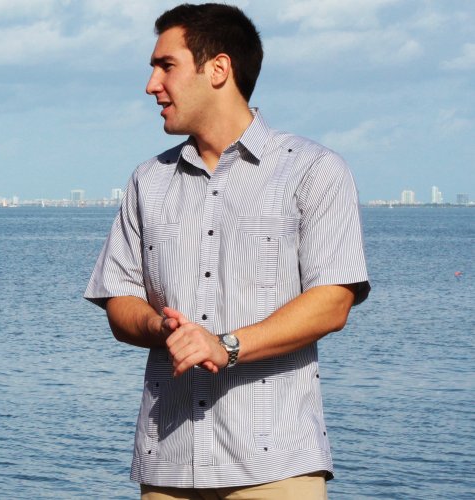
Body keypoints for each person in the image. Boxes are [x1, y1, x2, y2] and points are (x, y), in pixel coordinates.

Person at [85, 3, 370, 499]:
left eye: (166, 66)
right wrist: (161, 328)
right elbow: (119, 301)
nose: (151, 85)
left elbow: (333, 302)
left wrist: (226, 346)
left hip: (275, 469)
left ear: (218, 69)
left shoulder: (314, 169)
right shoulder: (148, 181)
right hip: (168, 466)